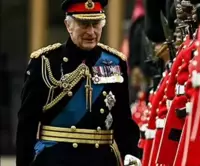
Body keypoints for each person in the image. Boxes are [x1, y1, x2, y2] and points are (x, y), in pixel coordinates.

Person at [15, 0, 141, 166]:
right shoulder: (45, 62)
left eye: (96, 24)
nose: (91, 32)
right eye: (84, 24)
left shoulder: (114, 62)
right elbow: (27, 123)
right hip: (56, 159)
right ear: (69, 26)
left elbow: (123, 120)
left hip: (102, 160)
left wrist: (131, 154)